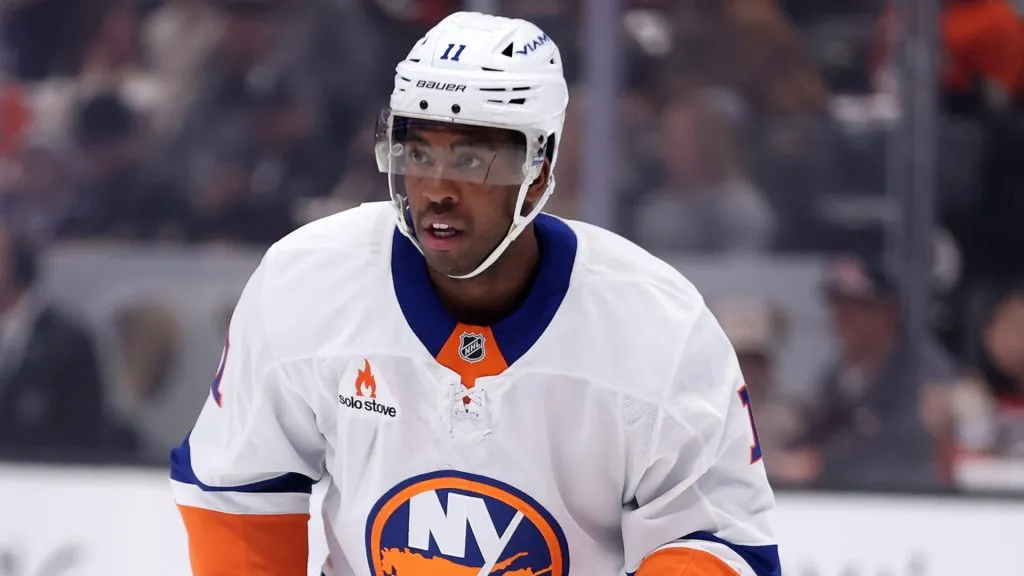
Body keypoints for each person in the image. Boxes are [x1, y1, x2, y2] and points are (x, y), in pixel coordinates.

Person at [169, 11, 780, 576]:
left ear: (540, 167)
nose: (435, 188)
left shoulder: (657, 327)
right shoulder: (305, 284)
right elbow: (237, 489)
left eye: (470, 159)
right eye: (418, 151)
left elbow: (720, 541)